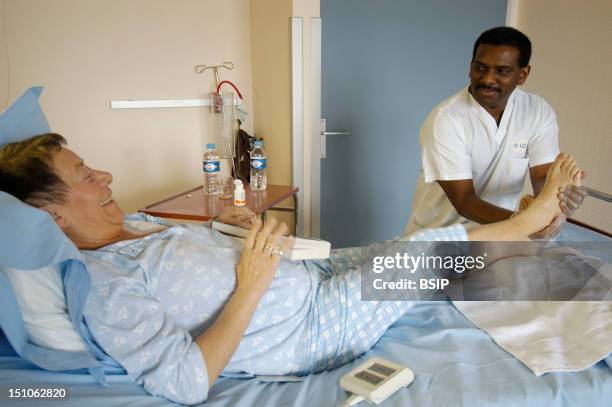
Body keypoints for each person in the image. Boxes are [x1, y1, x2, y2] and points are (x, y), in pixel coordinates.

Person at [0, 133, 582, 404]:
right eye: (83, 176)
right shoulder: (104, 286)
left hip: (307, 273)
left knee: (405, 242)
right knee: (421, 255)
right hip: (304, 332)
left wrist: (238, 232)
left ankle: (518, 238)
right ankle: (526, 226)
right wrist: (251, 284)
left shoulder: (135, 224)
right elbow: (184, 382)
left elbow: (197, 259)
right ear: (50, 217)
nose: (102, 175)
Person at [405, 26, 586, 239]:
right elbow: (464, 201)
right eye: (480, 68)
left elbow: (542, 177)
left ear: (523, 74)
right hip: (440, 238)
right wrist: (526, 221)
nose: (488, 79)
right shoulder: (446, 119)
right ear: (470, 67)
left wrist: (560, 197)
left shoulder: (537, 111)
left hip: (502, 235)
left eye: (502, 71)